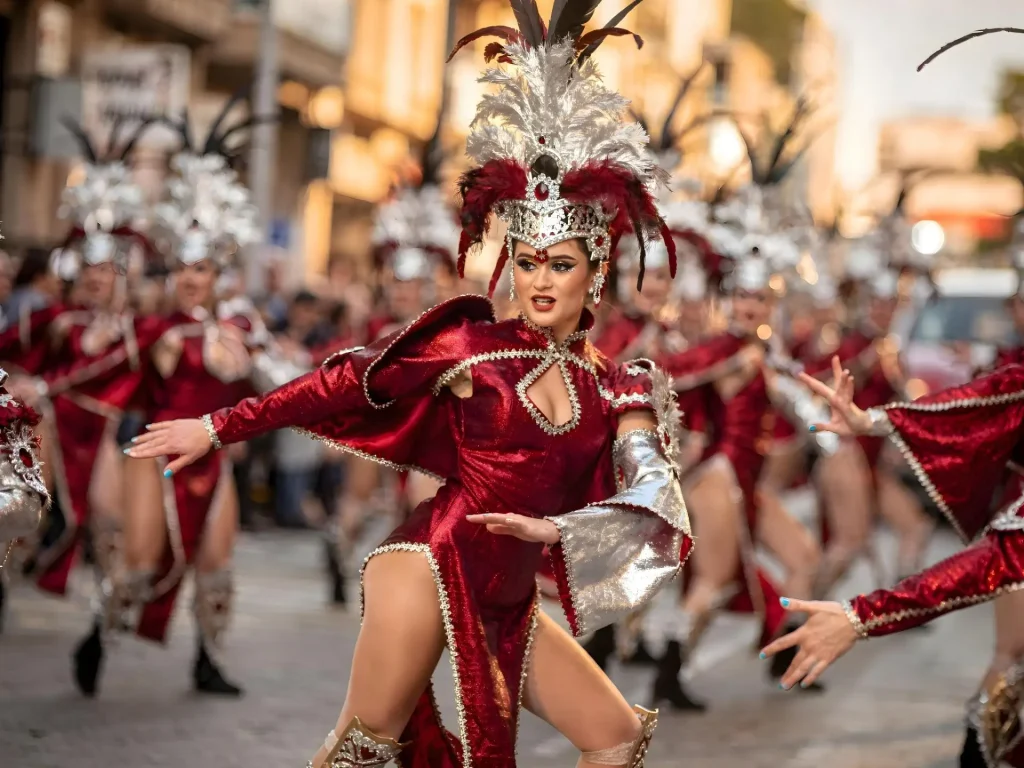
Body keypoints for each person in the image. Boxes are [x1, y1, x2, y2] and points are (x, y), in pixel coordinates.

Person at [126, 4, 692, 765]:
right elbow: (342, 385)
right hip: (427, 565)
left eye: (561, 264)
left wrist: (559, 532)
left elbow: (653, 490)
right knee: (363, 750)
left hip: (509, 596)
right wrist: (217, 426)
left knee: (617, 737)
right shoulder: (471, 347)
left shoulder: (620, 384)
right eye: (527, 262)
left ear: (596, 275)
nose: (540, 282)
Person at [761, 356, 1024, 767]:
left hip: (859, 457)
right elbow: (981, 396)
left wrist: (859, 616)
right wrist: (873, 422)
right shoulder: (856, 346)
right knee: (842, 549)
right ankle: (797, 624)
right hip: (848, 457)